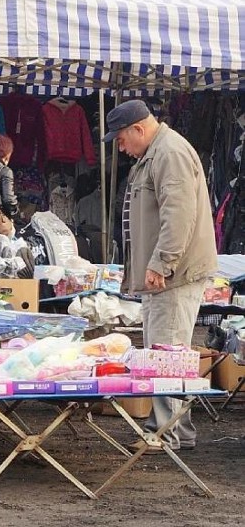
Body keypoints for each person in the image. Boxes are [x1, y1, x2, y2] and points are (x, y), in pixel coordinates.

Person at [103, 99, 216, 452]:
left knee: (167, 354)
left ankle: (166, 433)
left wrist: (161, 263)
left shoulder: (169, 153)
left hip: (174, 274)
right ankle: (172, 429)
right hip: (165, 275)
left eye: (121, 139)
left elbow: (178, 216)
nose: (121, 148)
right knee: (162, 353)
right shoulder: (154, 153)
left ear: (139, 129)